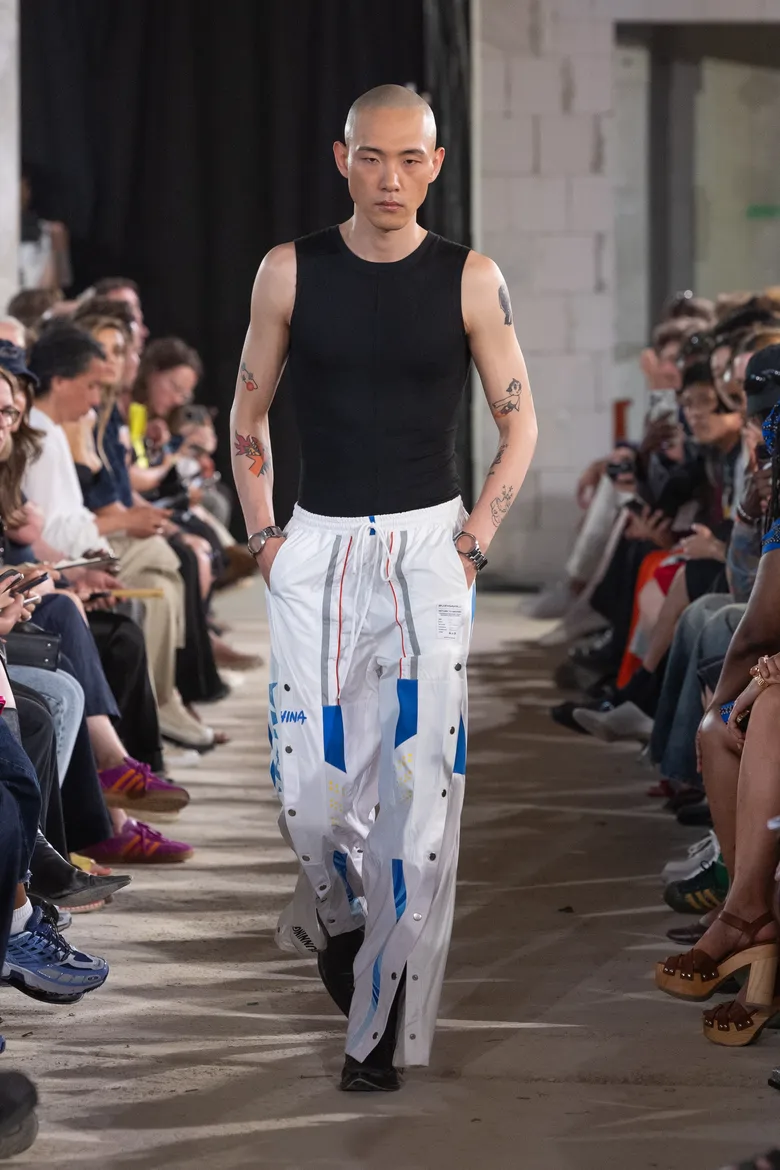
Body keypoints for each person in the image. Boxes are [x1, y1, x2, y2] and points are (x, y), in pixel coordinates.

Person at [231, 85, 537, 1092]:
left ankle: (375, 1024)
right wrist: (265, 537)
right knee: (309, 798)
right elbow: (248, 413)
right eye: (372, 157)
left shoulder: (470, 278)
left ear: (436, 165)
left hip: (428, 551)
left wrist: (474, 540)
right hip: (315, 548)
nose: (391, 177)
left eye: (410, 159)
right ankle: (339, 913)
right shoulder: (289, 270)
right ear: (343, 158)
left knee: (418, 798)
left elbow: (519, 421)